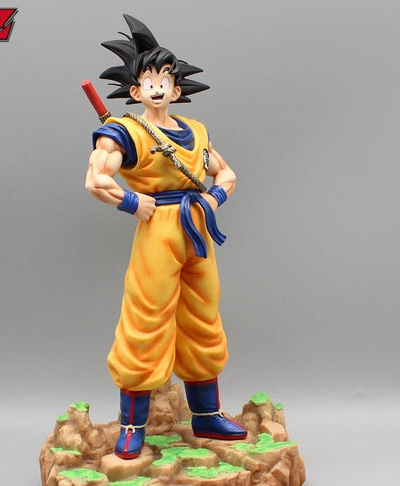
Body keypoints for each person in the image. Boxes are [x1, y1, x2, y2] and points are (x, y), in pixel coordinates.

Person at [85, 15, 247, 459]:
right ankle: (132, 425)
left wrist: (213, 197)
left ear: (176, 90)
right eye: (148, 81)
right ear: (135, 91)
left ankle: (206, 414)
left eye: (165, 80)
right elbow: (96, 179)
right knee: (146, 319)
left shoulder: (196, 132)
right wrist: (130, 201)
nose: (157, 88)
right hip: (157, 230)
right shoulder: (126, 132)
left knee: (203, 317)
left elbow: (227, 174)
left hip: (197, 228)